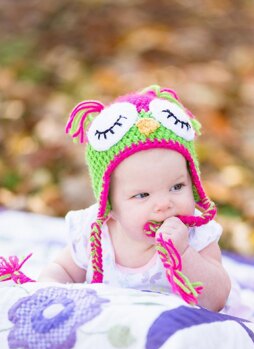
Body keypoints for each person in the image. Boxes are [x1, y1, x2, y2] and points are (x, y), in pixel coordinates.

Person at [39, 85, 231, 311]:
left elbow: (216, 301)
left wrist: (184, 253)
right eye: (142, 195)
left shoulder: (197, 235)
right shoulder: (95, 234)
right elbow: (62, 270)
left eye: (177, 186)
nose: (163, 204)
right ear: (109, 206)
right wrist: (47, 290)